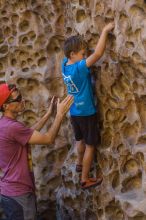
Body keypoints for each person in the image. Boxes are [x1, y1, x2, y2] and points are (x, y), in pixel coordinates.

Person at [0, 83, 73, 220]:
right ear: (5, 106)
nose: (23, 101)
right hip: (19, 194)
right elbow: (48, 139)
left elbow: (28, 134)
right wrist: (60, 114)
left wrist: (48, 114)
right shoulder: (12, 128)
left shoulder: (4, 124)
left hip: (11, 192)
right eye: (18, 99)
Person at [61, 22, 114, 190]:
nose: (85, 57)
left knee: (79, 140)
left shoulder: (65, 65)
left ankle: (78, 163)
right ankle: (85, 178)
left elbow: (73, 54)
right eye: (82, 54)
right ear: (73, 54)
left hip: (74, 112)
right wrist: (104, 30)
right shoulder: (79, 68)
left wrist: (79, 45)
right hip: (86, 112)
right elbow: (98, 53)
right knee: (90, 145)